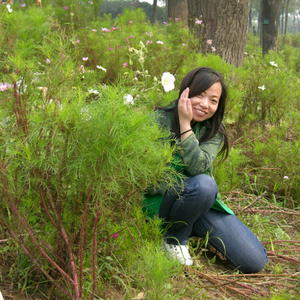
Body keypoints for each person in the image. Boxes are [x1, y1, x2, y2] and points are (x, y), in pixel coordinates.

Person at [143, 67, 267, 273]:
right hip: (160, 202)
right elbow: (146, 179)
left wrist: (185, 125)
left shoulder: (213, 132)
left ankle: (188, 223)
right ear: (186, 92)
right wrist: (182, 119)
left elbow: (197, 166)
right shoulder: (158, 120)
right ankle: (175, 238)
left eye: (213, 100)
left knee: (254, 260)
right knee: (203, 184)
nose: (204, 105)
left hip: (197, 200)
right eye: (200, 95)